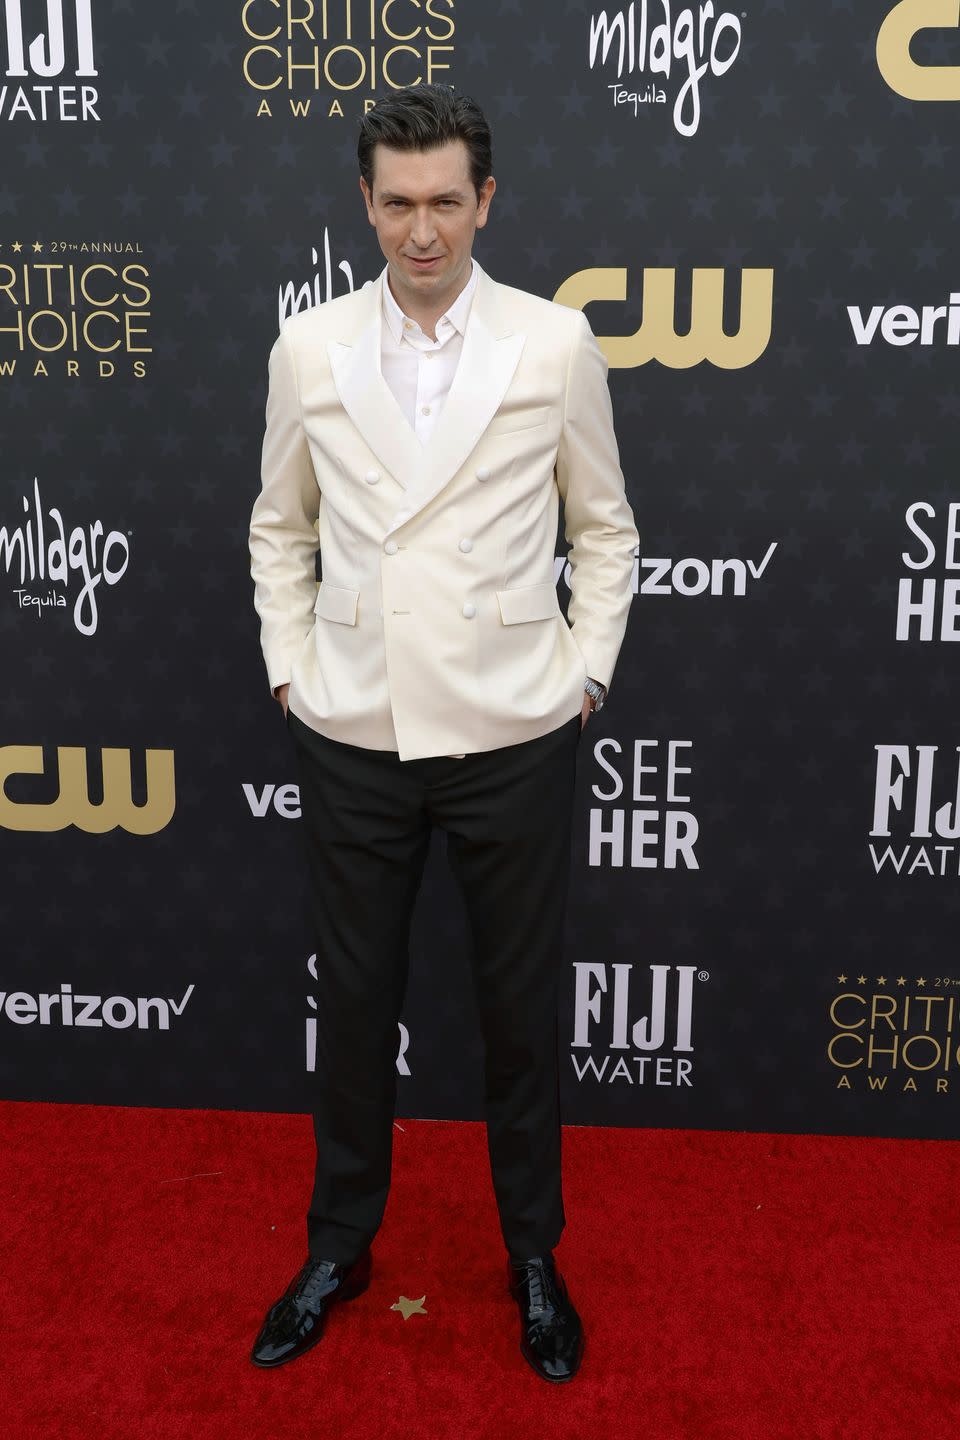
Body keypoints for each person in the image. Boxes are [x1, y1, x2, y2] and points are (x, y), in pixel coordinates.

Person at [247, 83, 638, 1383]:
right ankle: (338, 1244)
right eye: (398, 203)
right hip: (355, 728)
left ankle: (533, 1253)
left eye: (446, 203)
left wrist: (581, 675)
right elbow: (279, 527)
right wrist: (293, 675)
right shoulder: (307, 348)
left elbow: (605, 529)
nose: (423, 230)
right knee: (353, 1006)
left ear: (487, 202)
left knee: (520, 1011)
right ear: (366, 203)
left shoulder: (554, 343)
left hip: (515, 725)